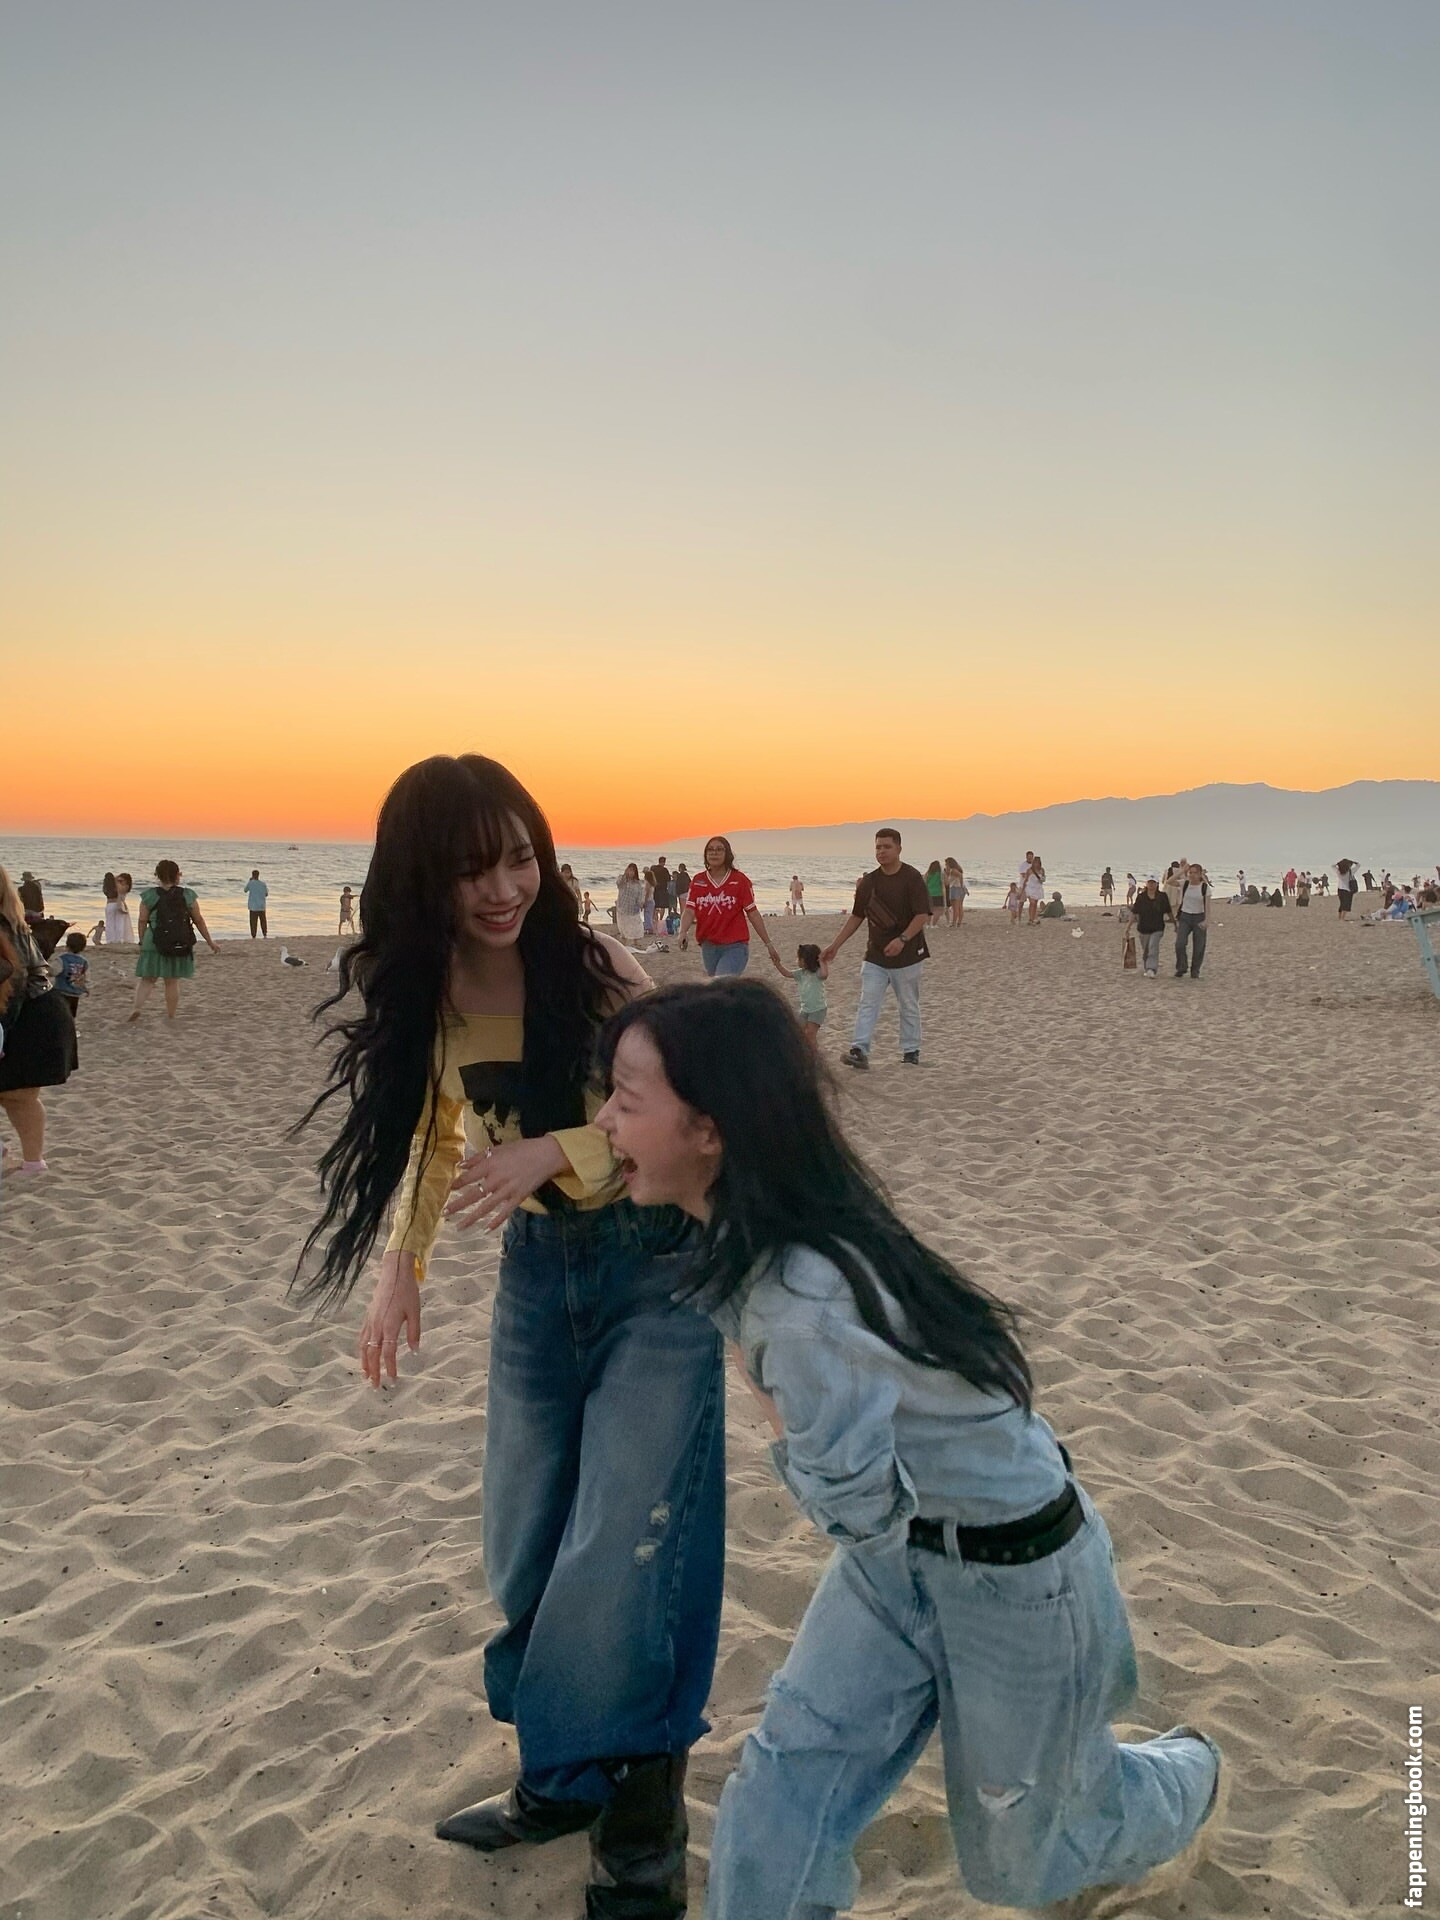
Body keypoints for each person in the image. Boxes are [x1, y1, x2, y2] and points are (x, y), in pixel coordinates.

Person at [594, 981, 1227, 1920]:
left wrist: (771, 1395)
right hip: (893, 1561)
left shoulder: (799, 1302)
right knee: (778, 1800)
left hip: (1014, 1574)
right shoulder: (765, 1231)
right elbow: (873, 1524)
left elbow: (851, 1506)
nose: (603, 1120)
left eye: (624, 1098)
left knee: (1023, 1864)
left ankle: (1193, 1775)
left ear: (710, 1130)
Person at [292, 753, 723, 1918]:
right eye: (473, 867)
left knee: (633, 1541)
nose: (503, 888)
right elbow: (440, 1134)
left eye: (521, 858)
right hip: (539, 1277)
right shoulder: (426, 989)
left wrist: (556, 1149)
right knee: (526, 1541)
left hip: (656, 1269)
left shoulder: (598, 967)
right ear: (421, 877)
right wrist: (402, 1268)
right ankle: (564, 1774)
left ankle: (642, 1826)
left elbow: (682, 1122)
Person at [823, 830, 930, 1069]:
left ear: (899, 849)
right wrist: (835, 945)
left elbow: (922, 915)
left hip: (908, 956)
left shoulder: (912, 878)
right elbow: (856, 916)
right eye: (878, 847)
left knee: (908, 1004)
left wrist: (902, 939)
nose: (881, 851)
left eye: (887, 847)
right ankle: (859, 1049)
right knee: (868, 1002)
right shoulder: (869, 882)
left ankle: (911, 1051)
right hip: (875, 956)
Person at [0, 866, 78, 1174]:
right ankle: (25, 1160)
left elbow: (14, 984)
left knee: (18, 1095)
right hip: (32, 1011)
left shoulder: (8, 928)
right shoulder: (13, 923)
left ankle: (32, 1162)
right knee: (17, 1095)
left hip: (28, 1015)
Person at [678, 837, 782, 978]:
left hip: (735, 946)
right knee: (717, 987)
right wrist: (682, 932)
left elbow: (753, 914)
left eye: (719, 849)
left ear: (727, 854)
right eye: (710, 850)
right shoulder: (698, 880)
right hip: (708, 946)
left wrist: (768, 944)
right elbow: (689, 910)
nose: (714, 853)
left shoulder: (740, 880)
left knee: (721, 982)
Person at [128, 860, 219, 1022]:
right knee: (171, 981)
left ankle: (137, 1008)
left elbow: (142, 920)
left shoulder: (149, 895)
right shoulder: (188, 895)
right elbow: (198, 920)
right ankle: (171, 1015)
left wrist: (142, 940)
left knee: (147, 979)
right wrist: (210, 942)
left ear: (157, 875)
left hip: (153, 941)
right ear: (178, 875)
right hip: (177, 941)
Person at [784, 942, 828, 1048]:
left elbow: (824, 974)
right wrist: (777, 964)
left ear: (806, 960)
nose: (797, 960)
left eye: (799, 958)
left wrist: (822, 961)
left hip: (817, 1009)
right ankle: (805, 1051)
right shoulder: (801, 973)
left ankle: (814, 1054)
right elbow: (786, 973)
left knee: (810, 1034)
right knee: (799, 1031)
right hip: (805, 1010)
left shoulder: (817, 973)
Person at [1131, 876, 1173, 978]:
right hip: (1143, 928)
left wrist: (1175, 923)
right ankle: (1147, 968)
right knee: (1146, 950)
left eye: (1153, 883)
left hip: (1157, 928)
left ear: (1157, 884)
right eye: (1149, 882)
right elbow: (1134, 912)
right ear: (1146, 883)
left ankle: (1151, 968)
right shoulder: (1141, 897)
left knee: (1153, 947)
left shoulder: (1162, 896)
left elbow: (1168, 911)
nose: (1151, 885)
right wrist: (1128, 927)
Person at [1174, 863, 1211, 979]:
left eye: (1195, 873)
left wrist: (1207, 920)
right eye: (1190, 872)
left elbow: (1207, 906)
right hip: (1185, 916)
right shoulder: (1184, 883)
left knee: (1199, 946)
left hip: (1199, 917)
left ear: (1200, 874)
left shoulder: (1204, 887)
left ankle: (1195, 970)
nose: (1192, 875)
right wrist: (1182, 871)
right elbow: (1169, 882)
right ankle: (1182, 967)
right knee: (1179, 944)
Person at [54, 931, 90, 1018]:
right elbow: (86, 977)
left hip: (61, 991)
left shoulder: (62, 959)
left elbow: (54, 971)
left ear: (67, 945)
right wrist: (85, 988)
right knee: (71, 1015)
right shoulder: (84, 961)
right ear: (83, 948)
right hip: (75, 994)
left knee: (59, 1013)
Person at [615, 864, 646, 946]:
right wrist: (625, 874)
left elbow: (640, 894)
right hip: (622, 907)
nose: (631, 872)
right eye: (630, 870)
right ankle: (624, 941)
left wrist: (641, 903)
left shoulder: (638, 883)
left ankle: (636, 942)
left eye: (633, 870)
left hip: (633, 908)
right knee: (623, 925)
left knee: (636, 925)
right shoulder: (622, 879)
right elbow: (618, 883)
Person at [103, 871, 135, 945]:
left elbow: (120, 896)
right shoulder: (123, 886)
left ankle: (113, 940)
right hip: (116, 904)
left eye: (121, 881)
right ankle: (117, 939)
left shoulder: (116, 887)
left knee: (114, 923)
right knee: (118, 923)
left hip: (114, 904)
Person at [245, 869, 269, 939]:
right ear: (258, 875)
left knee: (253, 922)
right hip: (261, 906)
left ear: (252, 875)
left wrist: (249, 881)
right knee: (263, 921)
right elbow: (266, 894)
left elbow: (245, 890)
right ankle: (264, 934)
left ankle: (253, 935)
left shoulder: (251, 883)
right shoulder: (263, 884)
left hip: (253, 906)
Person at [943, 859, 967, 928]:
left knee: (955, 908)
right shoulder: (957, 869)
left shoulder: (953, 870)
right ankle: (958, 923)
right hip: (960, 888)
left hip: (955, 889)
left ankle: (954, 923)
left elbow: (949, 882)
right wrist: (962, 887)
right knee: (960, 907)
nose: (945, 865)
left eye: (946, 864)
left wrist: (961, 885)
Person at [1023, 852, 1046, 925]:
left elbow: (1044, 878)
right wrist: (1022, 890)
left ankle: (1033, 918)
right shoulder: (1029, 870)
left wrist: (1042, 879)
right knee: (1032, 903)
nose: (1036, 864)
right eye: (1035, 862)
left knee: (1035, 904)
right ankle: (1030, 919)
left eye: (1038, 862)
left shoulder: (1042, 870)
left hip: (1037, 888)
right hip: (1030, 887)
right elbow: (1026, 880)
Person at [923, 860, 945, 926]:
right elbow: (944, 882)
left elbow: (924, 882)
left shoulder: (928, 873)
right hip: (938, 893)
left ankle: (928, 924)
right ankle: (933, 924)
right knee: (938, 909)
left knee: (930, 909)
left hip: (929, 893)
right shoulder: (940, 874)